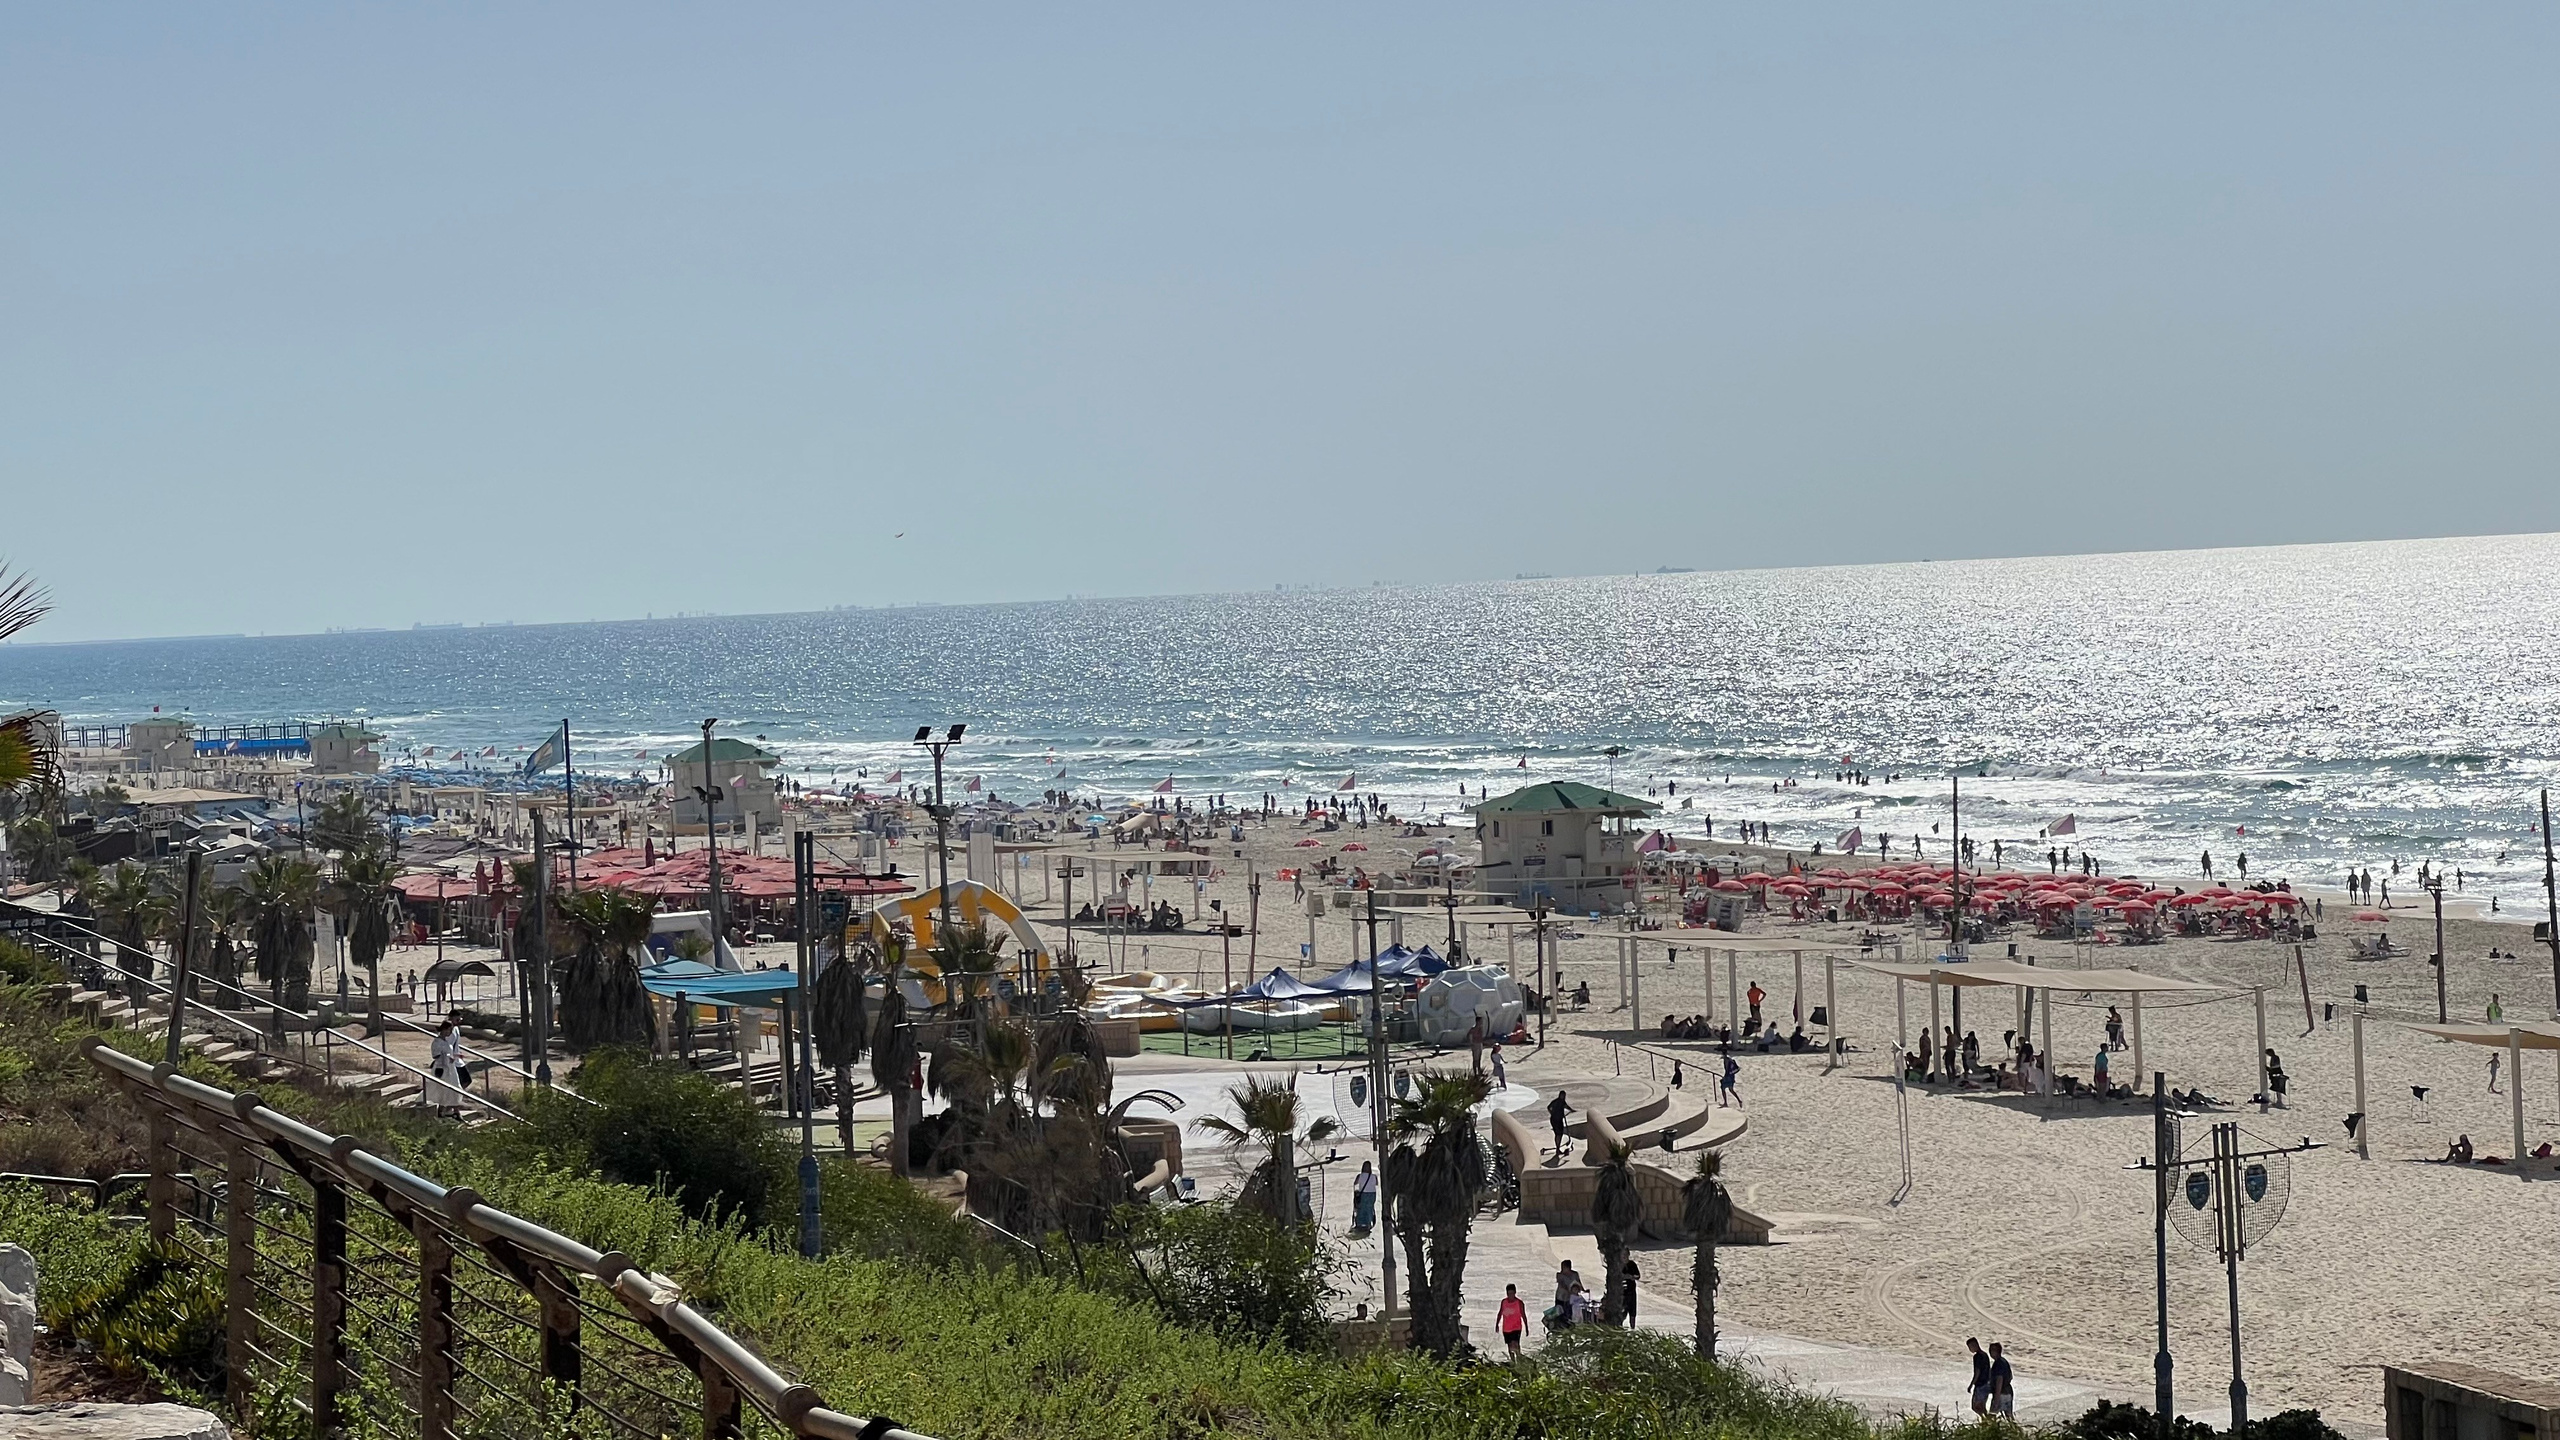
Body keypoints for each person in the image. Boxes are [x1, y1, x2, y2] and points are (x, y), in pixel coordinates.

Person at [428, 1018, 467, 1119]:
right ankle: (442, 1111)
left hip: (451, 1068)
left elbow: (449, 1053)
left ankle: (455, 1111)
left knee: (455, 1088)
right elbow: (436, 1056)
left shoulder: (446, 1041)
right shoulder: (437, 1042)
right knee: (443, 1089)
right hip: (442, 1068)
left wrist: (456, 1056)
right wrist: (449, 1057)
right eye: (448, 1030)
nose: (449, 1032)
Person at [1498, 1284, 1528, 1359]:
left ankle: (1519, 1359)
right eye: (1509, 1294)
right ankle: (1512, 1362)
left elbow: (1523, 1315)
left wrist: (1526, 1327)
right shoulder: (1504, 1302)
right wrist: (1497, 1324)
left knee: (1515, 1344)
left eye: (1512, 1293)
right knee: (1509, 1346)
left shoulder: (1519, 1303)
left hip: (1516, 1327)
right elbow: (1500, 1313)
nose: (1510, 1296)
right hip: (1506, 1328)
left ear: (1515, 1292)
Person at [1553, 1260, 1586, 1329]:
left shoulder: (1575, 1274)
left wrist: (1583, 1290)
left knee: (1569, 1311)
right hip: (1561, 1296)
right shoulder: (1560, 1275)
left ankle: (1569, 1325)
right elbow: (1562, 1285)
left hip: (1570, 1297)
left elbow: (1578, 1282)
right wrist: (1570, 1290)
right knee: (1560, 1310)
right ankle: (1559, 1325)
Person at [1988, 1342, 2015, 1417]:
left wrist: (1996, 1398)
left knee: (1991, 1416)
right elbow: (2010, 1376)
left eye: (1992, 1350)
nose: (1990, 1352)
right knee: (2009, 1416)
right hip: (2008, 1392)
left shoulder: (1998, 1363)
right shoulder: (2004, 1361)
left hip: (2001, 1394)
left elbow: (1999, 1380)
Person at [1351, 1161, 1378, 1233]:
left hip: (1363, 1193)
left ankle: (1360, 1223)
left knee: (1361, 1208)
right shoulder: (1373, 1176)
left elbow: (1355, 1183)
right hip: (1372, 1194)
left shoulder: (1360, 1176)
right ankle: (1368, 1223)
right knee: (1369, 1208)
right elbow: (1376, 1183)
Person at [1967, 1337, 1991, 1415]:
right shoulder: (1985, 1355)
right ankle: (1985, 1421)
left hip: (1980, 1384)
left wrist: (1971, 1385)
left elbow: (1977, 1372)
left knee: (1976, 1406)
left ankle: (1986, 1421)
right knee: (1981, 1406)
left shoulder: (1977, 1357)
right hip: (1986, 1383)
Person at [1548, 1090, 1572, 1159]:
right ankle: (1557, 1149)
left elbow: (1566, 1106)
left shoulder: (1562, 1102)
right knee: (1558, 1134)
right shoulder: (1556, 1101)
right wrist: (1552, 1113)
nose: (1563, 1097)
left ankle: (1557, 1148)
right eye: (1562, 1095)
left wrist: (1571, 1110)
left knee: (1560, 1134)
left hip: (1559, 1120)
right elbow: (1549, 1107)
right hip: (1555, 1120)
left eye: (1564, 1096)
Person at [1619, 1257, 1641, 1327]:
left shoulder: (1632, 1264)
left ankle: (1632, 1327)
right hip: (1622, 1291)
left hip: (1631, 1290)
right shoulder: (1618, 1264)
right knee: (1622, 1311)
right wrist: (1624, 1276)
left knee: (1632, 1311)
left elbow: (1637, 1276)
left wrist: (1631, 1277)